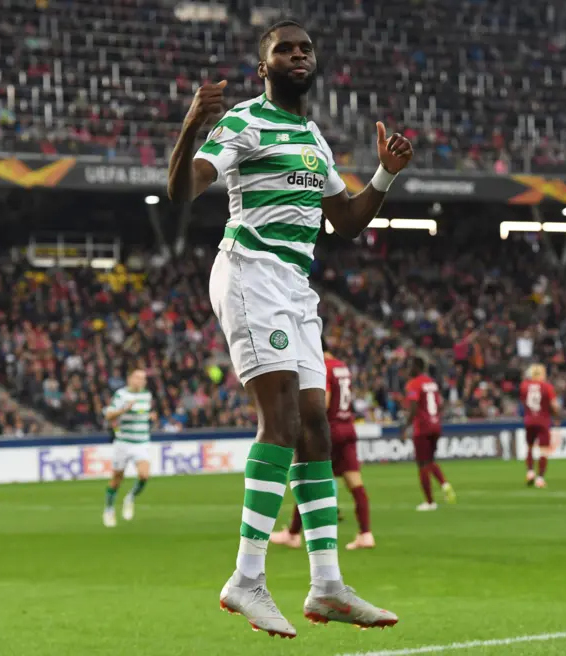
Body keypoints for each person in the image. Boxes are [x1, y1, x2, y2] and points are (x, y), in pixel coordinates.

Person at [168, 19, 412, 639]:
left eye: (305, 48)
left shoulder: (313, 138)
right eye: (285, 49)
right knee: (278, 420)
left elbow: (345, 221)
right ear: (264, 67)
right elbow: (184, 190)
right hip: (251, 273)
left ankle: (327, 583)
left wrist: (382, 176)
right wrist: (194, 123)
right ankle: (246, 578)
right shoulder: (244, 121)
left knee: (314, 427)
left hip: (297, 287)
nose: (298, 55)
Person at [270, 337, 375, 551]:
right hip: (347, 427)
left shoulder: (323, 367)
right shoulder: (342, 367)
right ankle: (365, 533)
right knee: (355, 483)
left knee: (305, 479)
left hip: (328, 431)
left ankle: (292, 534)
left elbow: (322, 403)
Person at [102, 369, 154, 527]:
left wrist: (150, 417)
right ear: (130, 379)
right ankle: (109, 509)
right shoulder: (121, 395)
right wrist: (124, 409)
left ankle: (130, 498)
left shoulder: (147, 395)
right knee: (117, 479)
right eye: (138, 378)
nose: (141, 381)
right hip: (123, 443)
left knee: (144, 475)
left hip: (142, 442)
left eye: (143, 379)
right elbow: (108, 415)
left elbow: (143, 414)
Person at [403, 357, 456, 511]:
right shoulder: (432, 383)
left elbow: (413, 408)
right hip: (435, 425)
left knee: (422, 464)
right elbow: (440, 404)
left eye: (409, 366)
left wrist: (405, 427)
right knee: (430, 461)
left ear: (416, 367)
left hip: (422, 428)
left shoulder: (414, 384)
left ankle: (429, 502)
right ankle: (444, 484)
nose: (408, 371)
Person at [520, 364, 560, 488]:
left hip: (529, 420)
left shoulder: (524, 386)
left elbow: (523, 401)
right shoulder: (547, 387)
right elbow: (554, 405)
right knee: (543, 451)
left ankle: (530, 472)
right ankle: (540, 479)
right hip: (543, 421)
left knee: (530, 447)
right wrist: (556, 415)